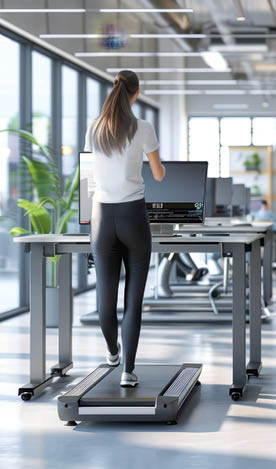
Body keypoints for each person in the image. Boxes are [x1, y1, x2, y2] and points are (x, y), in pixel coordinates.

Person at [84, 69, 165, 387]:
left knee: (105, 297)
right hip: (133, 217)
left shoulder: (95, 128)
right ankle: (128, 372)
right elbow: (158, 175)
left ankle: (112, 352)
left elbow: (91, 175)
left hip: (102, 218)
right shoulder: (143, 128)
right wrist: (156, 165)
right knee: (134, 299)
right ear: (137, 92)